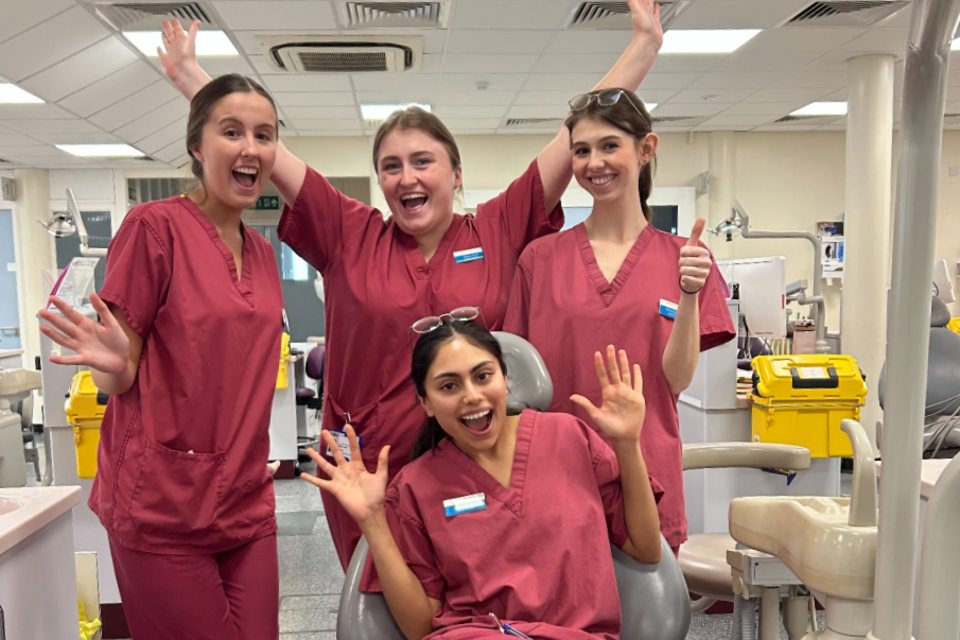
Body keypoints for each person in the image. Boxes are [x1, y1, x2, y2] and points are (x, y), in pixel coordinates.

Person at [158, 0, 665, 569]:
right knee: (377, 600)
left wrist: (641, 50)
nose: (407, 178)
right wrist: (192, 82)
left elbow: (573, 135)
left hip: (470, 455)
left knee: (465, 598)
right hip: (365, 462)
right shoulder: (350, 232)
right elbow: (266, 152)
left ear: (455, 173)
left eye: (422, 161)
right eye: (392, 167)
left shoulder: (496, 227)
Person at [38, 74, 284, 639]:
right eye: (232, 132)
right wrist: (114, 360)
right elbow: (122, 371)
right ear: (198, 146)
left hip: (244, 496)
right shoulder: (155, 229)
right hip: (163, 505)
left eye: (264, 135)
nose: (251, 148)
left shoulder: (265, 255)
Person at [302, 316, 662, 640]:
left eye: (483, 376)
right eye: (448, 386)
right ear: (425, 403)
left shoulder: (570, 437)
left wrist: (627, 445)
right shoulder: (417, 485)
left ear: (505, 379)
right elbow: (420, 627)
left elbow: (645, 549)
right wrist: (372, 520)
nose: (471, 396)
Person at [503, 88, 736, 555]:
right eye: (582, 151)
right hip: (558, 467)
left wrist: (689, 296)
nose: (595, 163)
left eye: (610, 146)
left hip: (647, 468)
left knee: (646, 617)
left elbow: (675, 379)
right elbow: (517, 388)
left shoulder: (684, 258)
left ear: (646, 149)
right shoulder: (540, 259)